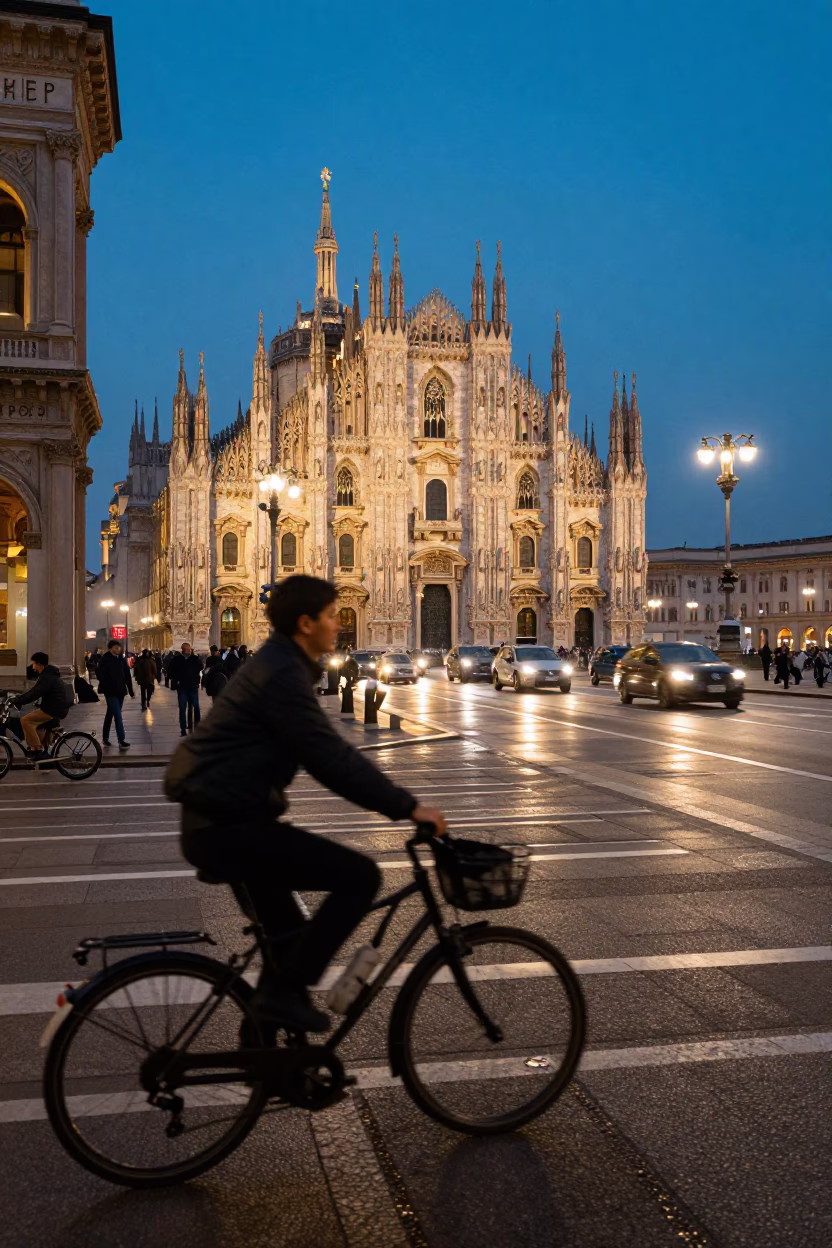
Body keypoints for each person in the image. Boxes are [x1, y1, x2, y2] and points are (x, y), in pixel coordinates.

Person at [165, 574, 446, 1037]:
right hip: (228, 825)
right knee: (361, 877)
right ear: (305, 622)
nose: (339, 626)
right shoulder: (281, 673)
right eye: (332, 617)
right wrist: (408, 807)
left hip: (220, 820)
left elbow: (321, 752)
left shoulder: (280, 663)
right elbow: (328, 757)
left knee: (291, 938)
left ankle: (266, 1046)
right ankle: (278, 1001)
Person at [9, 652, 72, 760]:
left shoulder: (47, 677)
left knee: (26, 720)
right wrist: (19, 698)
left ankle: (37, 749)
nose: (33, 666)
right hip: (55, 707)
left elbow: (35, 694)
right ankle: (38, 747)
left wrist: (18, 701)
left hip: (52, 709)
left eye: (33, 663)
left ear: (39, 664)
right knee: (33, 721)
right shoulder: (48, 674)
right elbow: (34, 691)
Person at [96, 638, 134, 749]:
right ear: (110, 648)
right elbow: (100, 675)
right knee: (118, 715)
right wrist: (107, 687)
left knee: (110, 714)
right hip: (110, 692)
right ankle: (121, 739)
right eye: (116, 647)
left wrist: (130, 690)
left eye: (119, 647)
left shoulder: (122, 660)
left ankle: (105, 737)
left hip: (120, 691)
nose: (118, 649)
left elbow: (127, 675)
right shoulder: (104, 660)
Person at [167, 642, 204, 736]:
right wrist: (176, 680)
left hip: (193, 686)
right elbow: (170, 671)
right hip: (182, 687)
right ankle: (183, 729)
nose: (188, 651)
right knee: (182, 708)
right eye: (186, 649)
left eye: (189, 649)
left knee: (196, 707)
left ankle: (197, 726)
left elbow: (201, 666)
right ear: (182, 649)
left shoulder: (194, 658)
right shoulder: (177, 659)